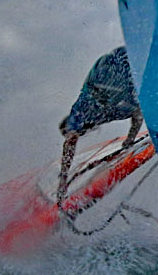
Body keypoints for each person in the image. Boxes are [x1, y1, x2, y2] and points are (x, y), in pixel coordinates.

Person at [56, 45, 143, 203]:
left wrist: (63, 179)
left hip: (118, 72)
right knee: (136, 104)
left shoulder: (80, 112)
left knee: (136, 104)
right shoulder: (101, 112)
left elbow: (70, 142)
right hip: (124, 66)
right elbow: (137, 115)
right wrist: (129, 141)